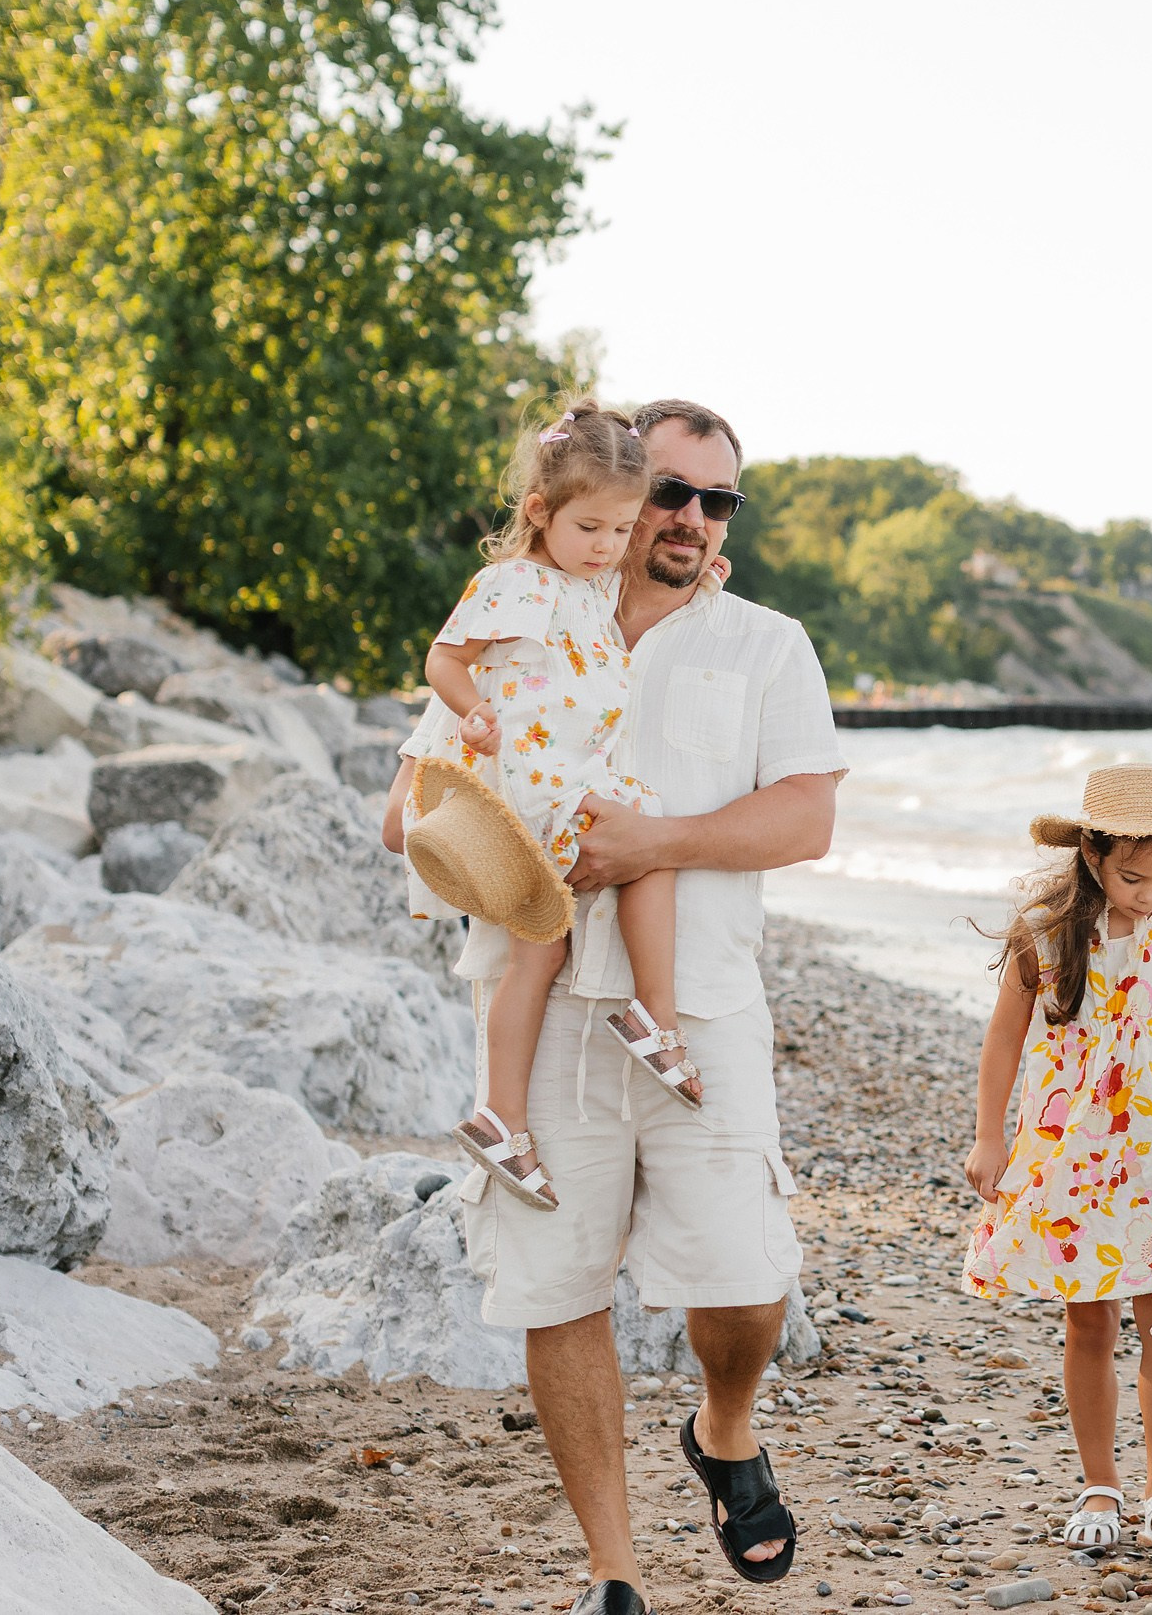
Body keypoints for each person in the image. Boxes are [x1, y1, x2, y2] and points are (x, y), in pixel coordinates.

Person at [383, 398, 844, 1615]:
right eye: (670, 495)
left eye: (716, 501)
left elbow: (807, 818)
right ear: (619, 499)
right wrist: (508, 828)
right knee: (556, 1281)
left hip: (696, 1006)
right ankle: (613, 1574)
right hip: (535, 1007)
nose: (689, 518)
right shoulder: (522, 619)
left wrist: (653, 842)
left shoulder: (764, 644)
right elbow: (406, 809)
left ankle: (727, 1430)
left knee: (745, 1275)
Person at [404, 400, 698, 1213]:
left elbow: (636, 611)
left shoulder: (586, 585)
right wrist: (470, 708)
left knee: (537, 957)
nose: (609, 549)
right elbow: (443, 655)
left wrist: (702, 578)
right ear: (540, 512)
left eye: (621, 530)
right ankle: (656, 1018)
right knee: (649, 847)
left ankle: (501, 1115)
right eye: (593, 529)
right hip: (537, 780)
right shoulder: (513, 583)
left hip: (567, 776)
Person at [960, 764, 1152, 1563]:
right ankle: (1099, 1481)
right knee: (1088, 1315)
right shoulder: (1046, 930)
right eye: (1134, 876)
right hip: (1067, 1153)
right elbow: (1002, 1040)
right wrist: (990, 1136)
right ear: (1091, 854)